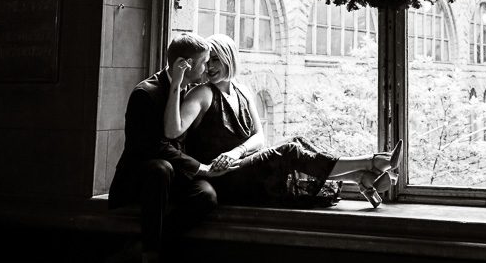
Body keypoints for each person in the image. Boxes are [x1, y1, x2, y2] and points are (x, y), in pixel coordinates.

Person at [164, 33, 402, 209]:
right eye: (208, 61)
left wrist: (237, 152)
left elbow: (259, 138)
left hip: (242, 166)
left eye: (216, 59)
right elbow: (173, 131)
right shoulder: (202, 93)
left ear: (230, 59)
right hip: (224, 178)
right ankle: (372, 163)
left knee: (298, 143)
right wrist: (177, 82)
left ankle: (360, 176)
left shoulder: (242, 90)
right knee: (289, 150)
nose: (210, 67)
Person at [107, 32, 226, 263]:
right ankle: (150, 261)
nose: (207, 68)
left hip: (175, 172)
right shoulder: (145, 93)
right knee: (160, 168)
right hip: (143, 176)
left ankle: (141, 246)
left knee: (207, 196)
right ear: (185, 64)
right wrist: (198, 167)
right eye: (204, 62)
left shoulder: (190, 91)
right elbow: (154, 146)